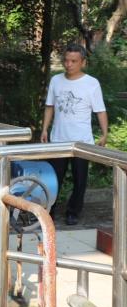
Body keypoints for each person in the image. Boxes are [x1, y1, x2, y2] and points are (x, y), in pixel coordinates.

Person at [41, 44, 108, 225]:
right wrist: (45, 129)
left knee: (80, 179)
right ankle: (49, 211)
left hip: (82, 141)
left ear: (83, 62)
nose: (68, 64)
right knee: (54, 178)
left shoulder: (92, 83)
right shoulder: (56, 80)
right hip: (58, 139)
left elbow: (100, 110)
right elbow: (50, 106)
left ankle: (73, 212)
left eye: (73, 61)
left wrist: (104, 134)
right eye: (66, 60)